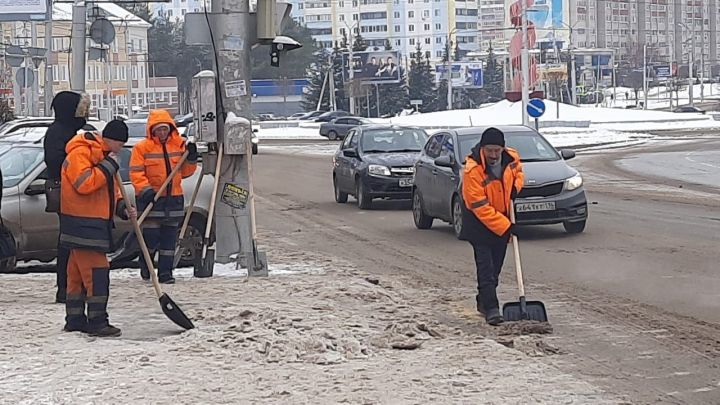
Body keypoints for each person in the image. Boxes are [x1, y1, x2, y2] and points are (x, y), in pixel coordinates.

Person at [60, 120, 136, 337]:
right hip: (82, 223)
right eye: (120, 144)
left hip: (91, 222)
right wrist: (108, 166)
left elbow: (110, 191)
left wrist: (122, 207)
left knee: (75, 274)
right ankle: (98, 322)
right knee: (97, 273)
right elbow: (84, 184)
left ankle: (75, 319)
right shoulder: (80, 153)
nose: (121, 149)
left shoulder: (103, 156)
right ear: (110, 140)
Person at [461, 127, 524, 326]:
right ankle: (491, 308)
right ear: (482, 148)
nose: (494, 155)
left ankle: (483, 299)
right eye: (490, 150)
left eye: (497, 150)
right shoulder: (473, 170)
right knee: (486, 268)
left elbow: (518, 173)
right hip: (478, 224)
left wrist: (516, 187)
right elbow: (479, 206)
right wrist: (506, 227)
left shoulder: (511, 158)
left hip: (502, 220)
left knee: (495, 268)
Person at [130, 110, 197, 284]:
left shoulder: (179, 145)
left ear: (170, 129)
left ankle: (165, 274)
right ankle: (146, 264)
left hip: (173, 199)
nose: (162, 133)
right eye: (158, 130)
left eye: (165, 129)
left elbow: (186, 172)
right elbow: (136, 174)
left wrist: (191, 158)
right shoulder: (142, 148)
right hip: (151, 200)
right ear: (152, 130)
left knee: (169, 240)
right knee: (151, 239)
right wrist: (146, 191)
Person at [43, 91, 91, 304]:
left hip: (79, 192)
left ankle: (75, 284)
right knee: (68, 241)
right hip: (66, 192)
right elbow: (55, 162)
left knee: (76, 240)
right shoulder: (58, 133)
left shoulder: (74, 131)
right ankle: (65, 286)